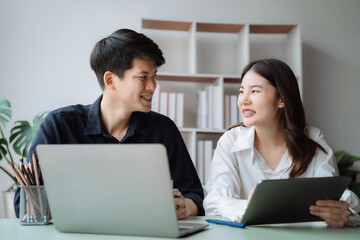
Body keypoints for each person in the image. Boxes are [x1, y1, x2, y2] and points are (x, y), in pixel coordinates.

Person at [13, 29, 204, 219]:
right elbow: (24, 204)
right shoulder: (59, 126)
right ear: (111, 80)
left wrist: (185, 206)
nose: (152, 86)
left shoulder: (163, 129)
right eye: (143, 77)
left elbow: (194, 195)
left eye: (154, 76)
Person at [204, 58, 360, 228]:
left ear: (282, 99)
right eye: (241, 91)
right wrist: (253, 207)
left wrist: (342, 212)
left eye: (254, 91)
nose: (243, 100)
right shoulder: (230, 141)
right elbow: (215, 202)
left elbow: (336, 197)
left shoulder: (312, 139)